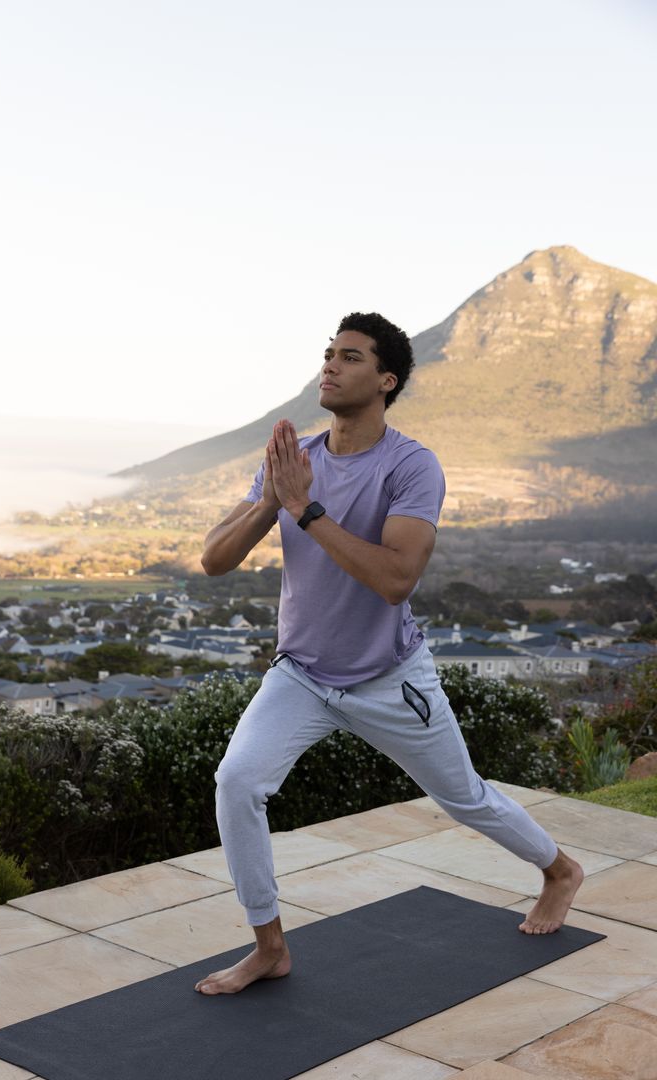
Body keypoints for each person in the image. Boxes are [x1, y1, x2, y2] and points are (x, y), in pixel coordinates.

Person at [195, 311, 584, 996]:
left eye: (350, 356)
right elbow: (214, 560)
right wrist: (274, 501)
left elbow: (396, 578)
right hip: (303, 674)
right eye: (328, 352)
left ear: (385, 379)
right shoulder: (296, 461)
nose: (331, 365)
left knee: (464, 798)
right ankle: (270, 946)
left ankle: (559, 871)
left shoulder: (411, 465)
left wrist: (309, 512)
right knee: (237, 782)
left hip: (388, 676)